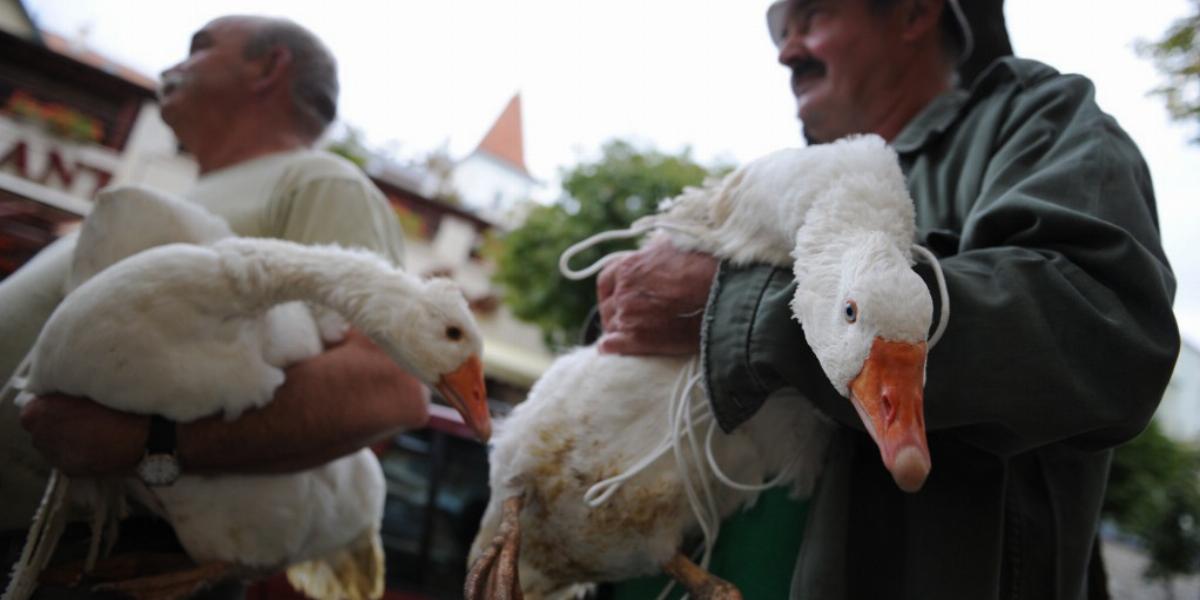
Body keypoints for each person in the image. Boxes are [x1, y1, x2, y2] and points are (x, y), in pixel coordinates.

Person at [595, 0, 1180, 597]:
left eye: (812, 17)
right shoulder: (786, 190)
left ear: (912, 14)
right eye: (781, 31)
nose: (786, 50)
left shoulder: (1037, 121)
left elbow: (1103, 325)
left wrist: (734, 311)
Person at [0, 14, 428, 587]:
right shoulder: (190, 190)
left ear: (269, 67)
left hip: (86, 558)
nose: (170, 67)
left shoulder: (320, 181)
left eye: (198, 48)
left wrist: (145, 446)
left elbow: (386, 388)